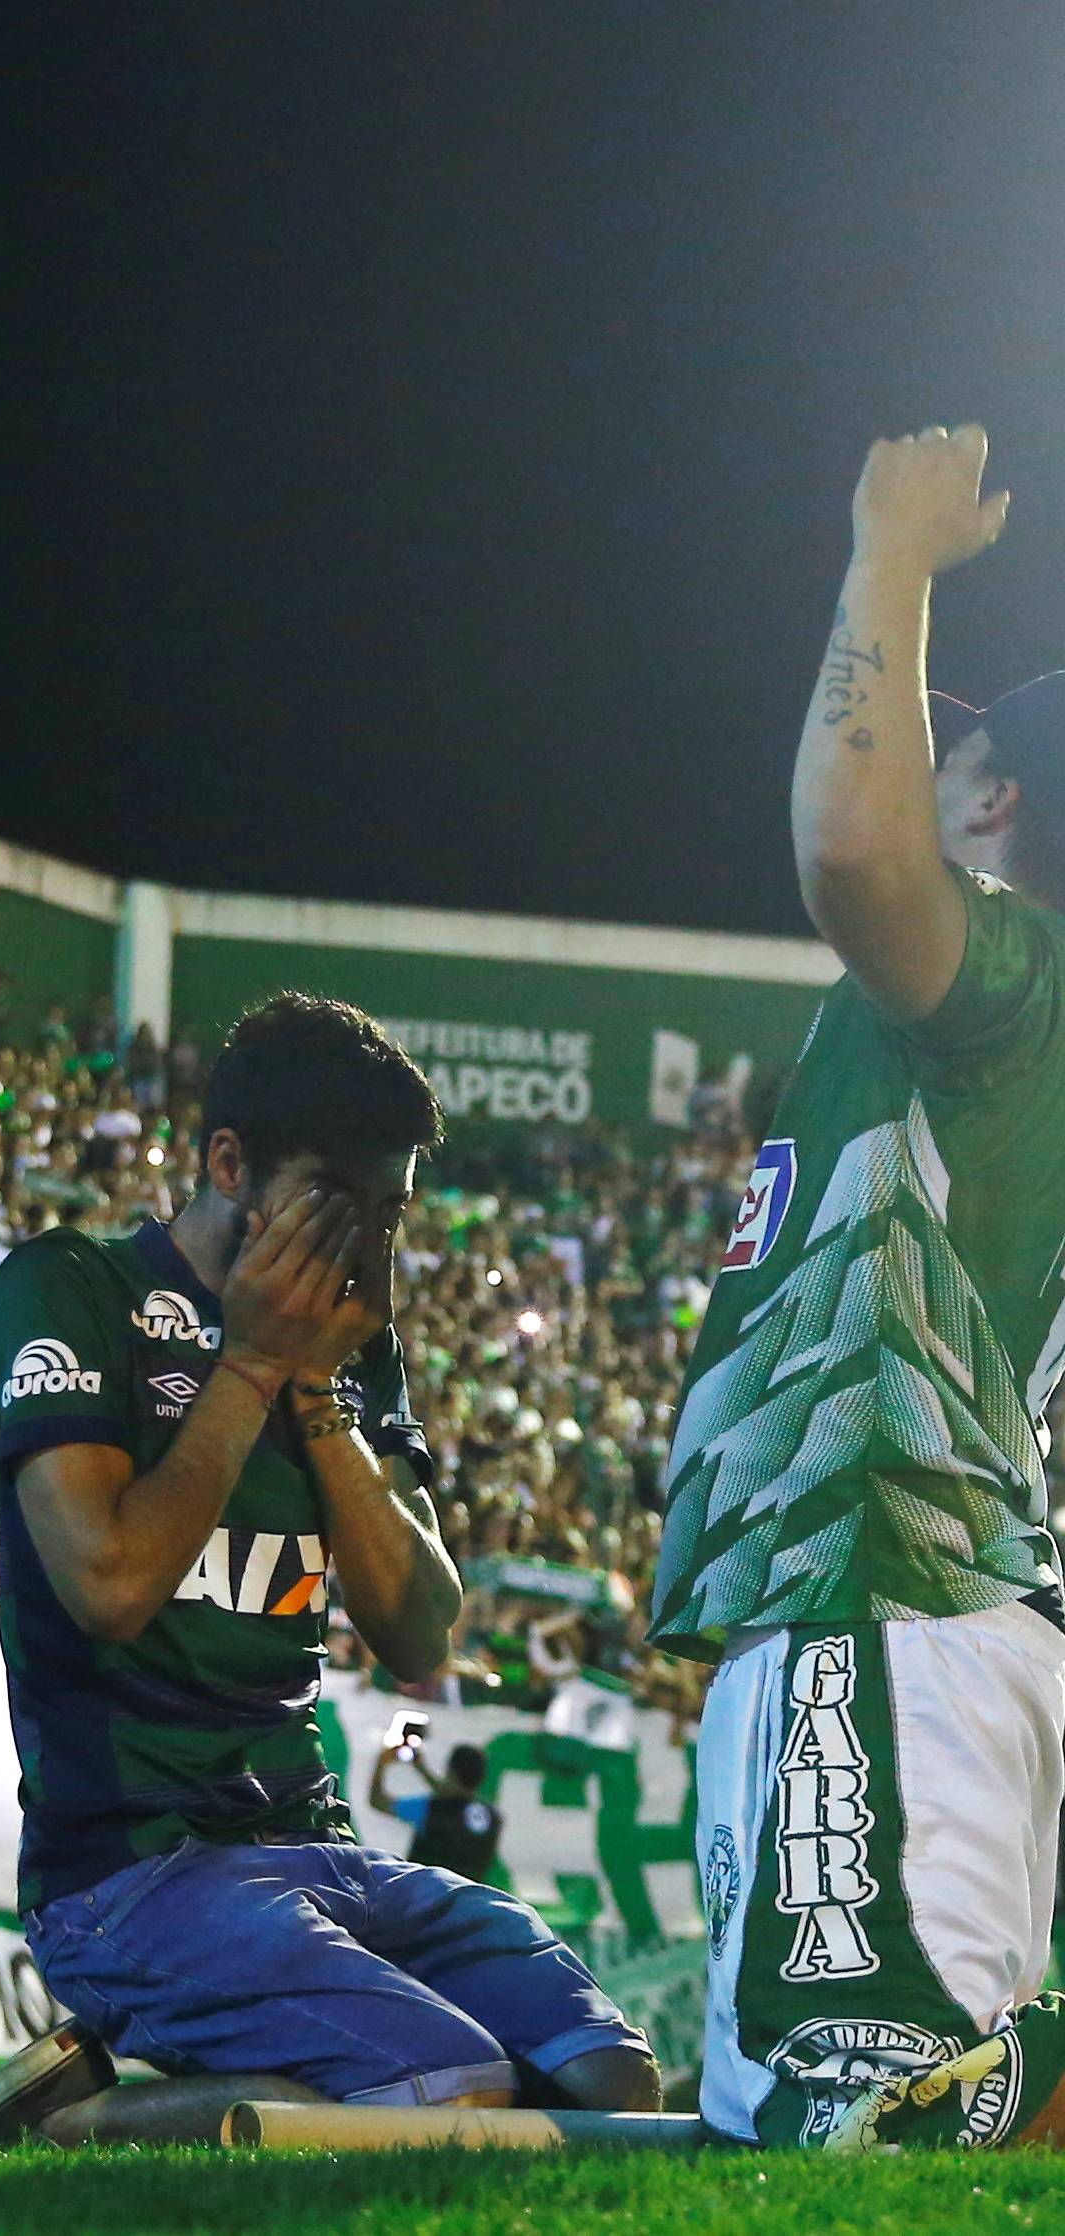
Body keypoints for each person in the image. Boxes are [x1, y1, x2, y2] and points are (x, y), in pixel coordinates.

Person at [0, 995, 657, 2145]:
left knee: (609, 2084)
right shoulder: (71, 1287)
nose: (369, 1247)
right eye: (339, 1203)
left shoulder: (356, 1346)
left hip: (318, 1844)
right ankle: (74, 2131)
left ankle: (163, 2109)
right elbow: (110, 1586)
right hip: (129, 1873)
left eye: (392, 1213)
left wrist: (316, 1388)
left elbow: (421, 1631)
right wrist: (255, 1364)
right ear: (230, 1162)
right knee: (455, 2099)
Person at [650, 426, 1065, 2150]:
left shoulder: (1014, 974)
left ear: (992, 804)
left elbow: (852, 852)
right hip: (935, 1620)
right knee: (794, 2130)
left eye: (948, 749)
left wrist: (888, 554)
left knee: (869, 2131)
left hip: (894, 1606)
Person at [370, 1732, 503, 1883]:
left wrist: (381, 1763)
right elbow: (455, 1795)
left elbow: (378, 1801)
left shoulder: (430, 1808)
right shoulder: (493, 1816)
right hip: (469, 1899)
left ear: (450, 1771)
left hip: (425, 1896)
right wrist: (421, 1768)